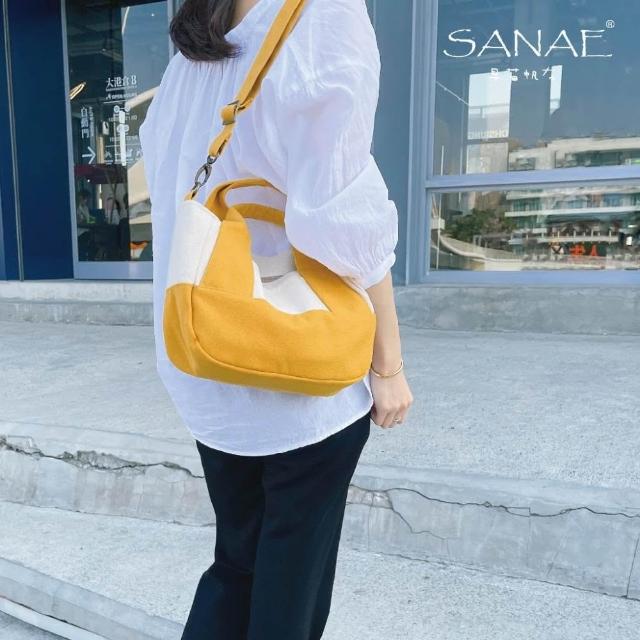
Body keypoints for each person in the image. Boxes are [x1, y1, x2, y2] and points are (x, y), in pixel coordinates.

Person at [138, 0, 414, 638]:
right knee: (290, 587)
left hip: (209, 354)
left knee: (236, 565)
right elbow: (342, 216)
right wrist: (389, 365)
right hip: (299, 374)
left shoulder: (196, 44)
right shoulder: (322, 16)